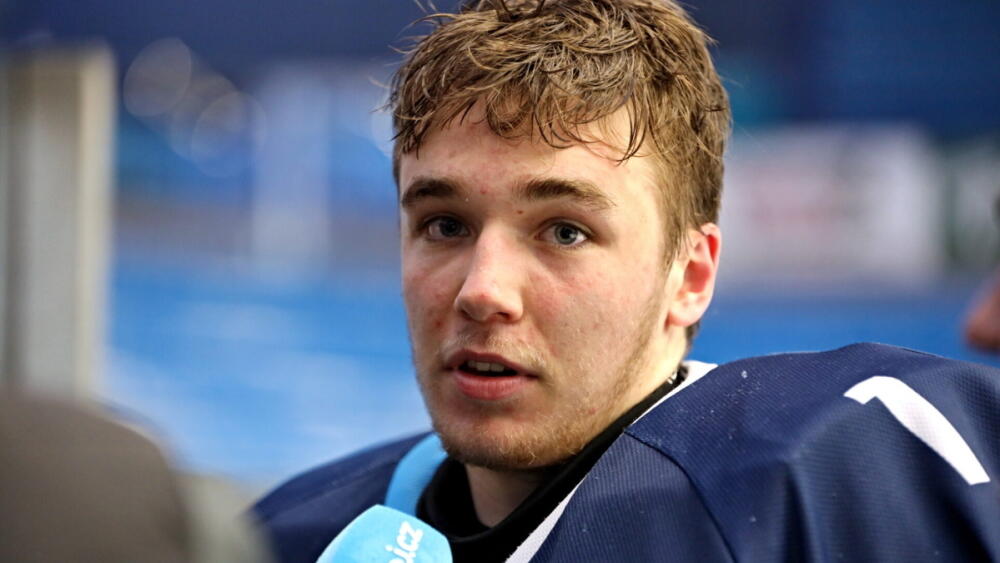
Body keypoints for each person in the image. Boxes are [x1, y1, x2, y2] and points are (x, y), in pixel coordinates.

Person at [254, 1, 1000, 561]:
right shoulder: (284, 534)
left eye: (564, 232)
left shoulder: (829, 481)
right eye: (445, 225)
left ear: (691, 275)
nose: (482, 291)